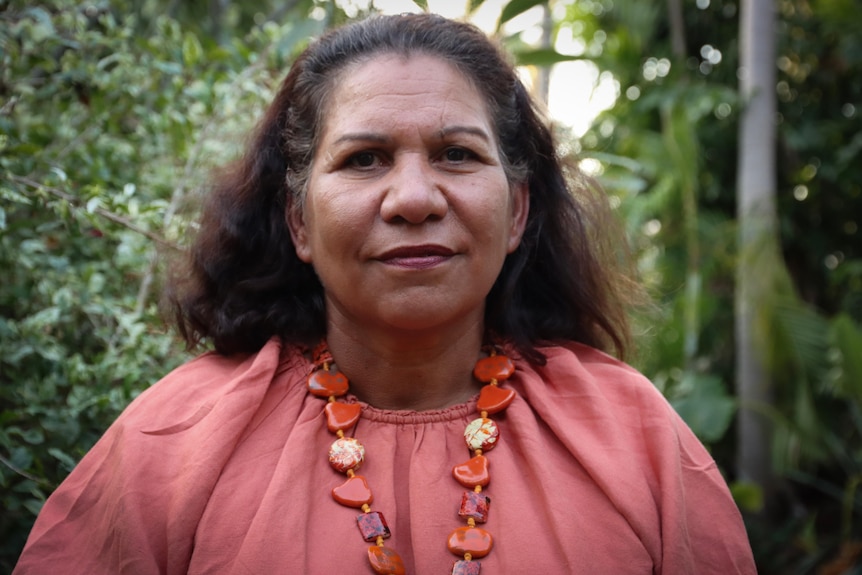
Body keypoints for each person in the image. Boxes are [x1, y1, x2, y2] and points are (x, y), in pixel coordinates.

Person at [14, 13, 756, 575]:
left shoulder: (636, 440)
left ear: (518, 211)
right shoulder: (168, 448)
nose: (412, 198)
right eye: (365, 158)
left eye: (456, 155)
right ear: (298, 218)